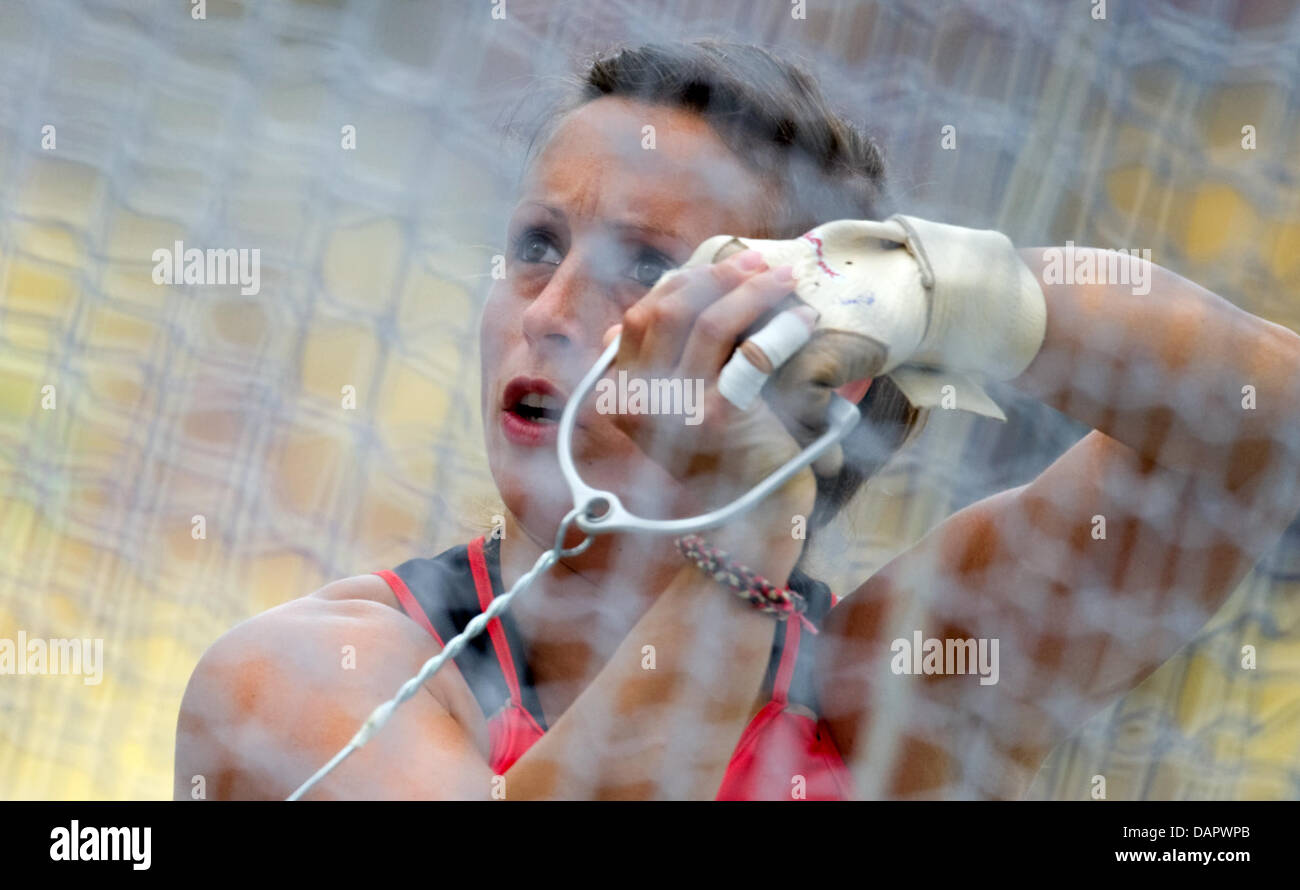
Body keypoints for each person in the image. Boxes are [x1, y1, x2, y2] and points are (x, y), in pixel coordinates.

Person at [173, 40, 1300, 800]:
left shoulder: (888, 690)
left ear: (818, 379)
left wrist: (931, 291)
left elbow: (1263, 433)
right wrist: (742, 541)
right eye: (535, 246)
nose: (553, 311)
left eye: (645, 267)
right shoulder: (302, 678)